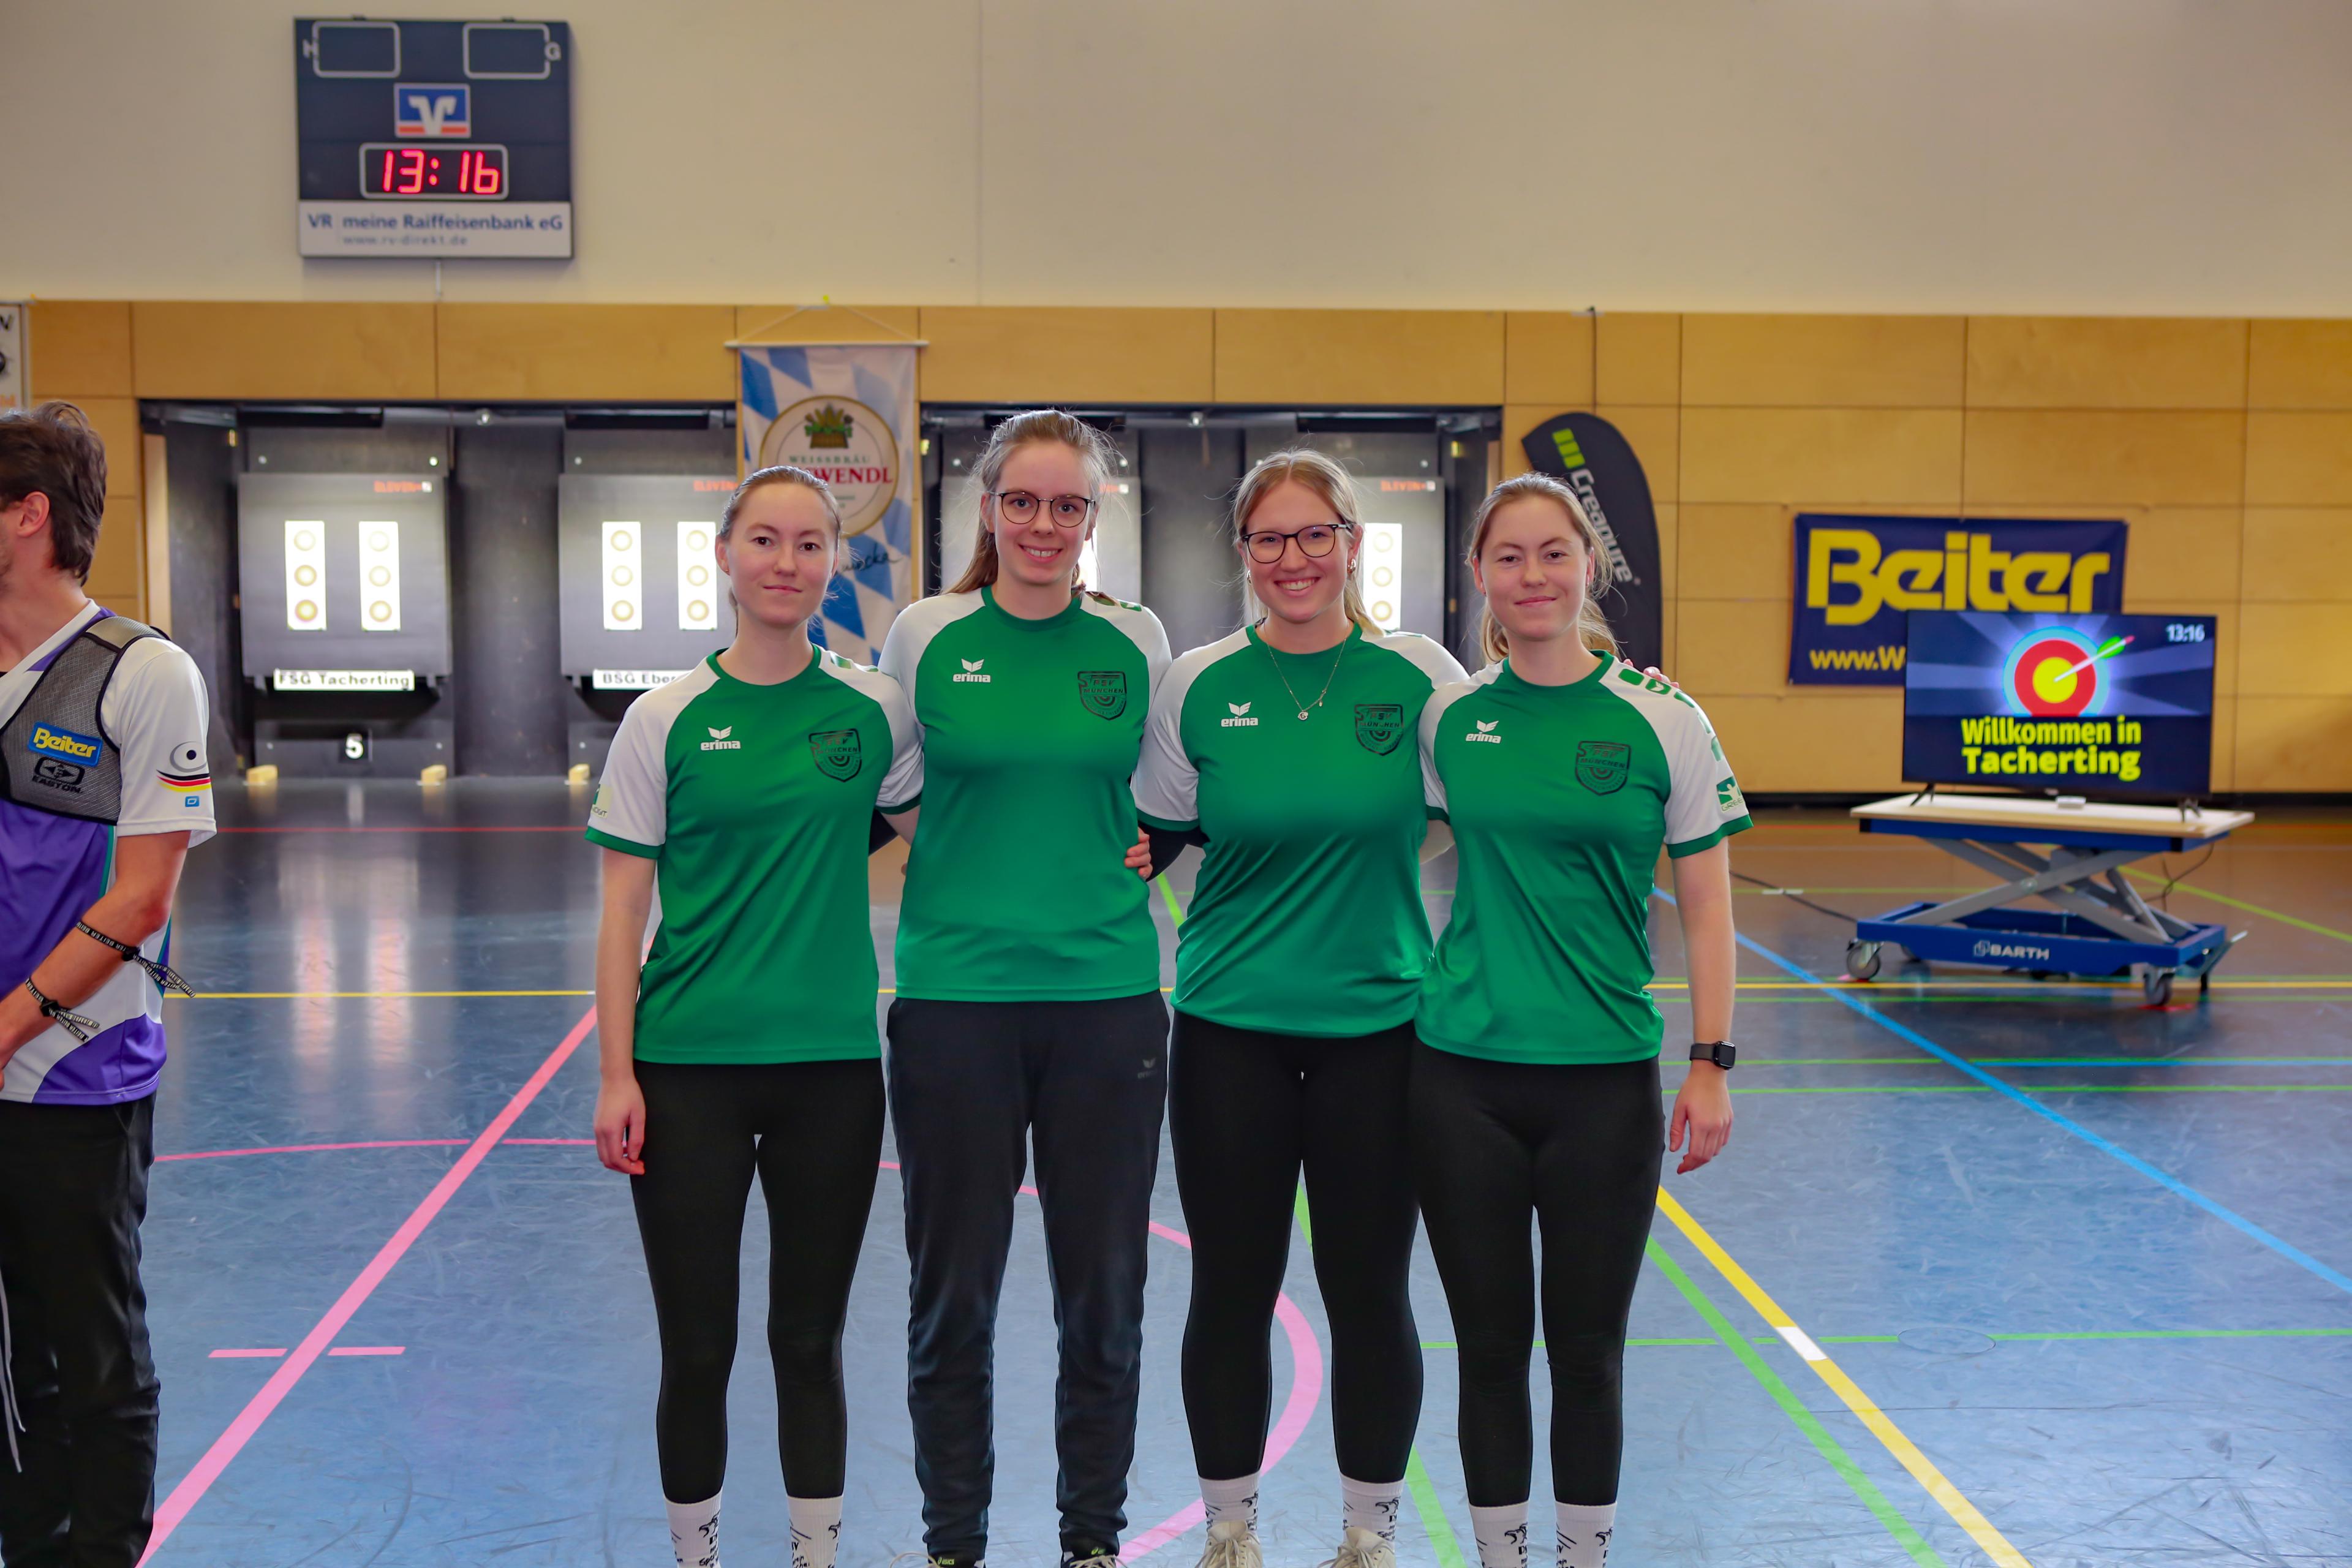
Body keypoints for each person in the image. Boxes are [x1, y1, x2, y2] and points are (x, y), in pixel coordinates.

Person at [1131, 450, 1466, 1568]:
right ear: (1244, 552)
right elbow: (1156, 832)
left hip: (1382, 1034)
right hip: (1232, 1032)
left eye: (1315, 534)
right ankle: (1230, 1531)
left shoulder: (1418, 677)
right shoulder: (1199, 684)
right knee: (1232, 1288)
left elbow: (1492, 784)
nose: (1294, 558)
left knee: (1369, 1289)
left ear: (1353, 543)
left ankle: (1369, 1536)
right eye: (1269, 538)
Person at [588, 467, 924, 1568]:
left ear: (836, 563)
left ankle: (813, 1557)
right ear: (726, 556)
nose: (787, 562)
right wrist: (617, 1075)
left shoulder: (874, 710)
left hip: (832, 1073)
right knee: (697, 1349)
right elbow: (621, 912)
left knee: (809, 1343)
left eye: (811, 544)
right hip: (688, 1072)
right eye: (766, 540)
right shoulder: (664, 719)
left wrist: (1118, 839)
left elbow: (952, 833)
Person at [1411, 473, 1744, 1568]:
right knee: (1489, 1351)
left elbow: (1708, 904)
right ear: (1480, 575)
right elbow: (1368, 833)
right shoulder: (1450, 719)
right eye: (1509, 557)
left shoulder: (1664, 718)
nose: (1534, 576)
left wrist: (1711, 1061)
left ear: (1588, 565)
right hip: (1461, 1079)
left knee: (1590, 1354)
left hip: (1604, 1085)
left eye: (1554, 553)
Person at [876, 409, 1172, 1568]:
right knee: (953, 1300)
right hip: (954, 1005)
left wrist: (1143, 850)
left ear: (1093, 518)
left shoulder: (1137, 640)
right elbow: (897, 787)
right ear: (989, 510)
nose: (1044, 524)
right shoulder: (925, 634)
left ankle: (1090, 1540)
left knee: (1104, 1299)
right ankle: (954, 1542)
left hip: (1107, 1005)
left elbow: (1171, 793)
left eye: (1068, 505)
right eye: (1023, 502)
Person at [0, 402, 214, 1568]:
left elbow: (140, 900)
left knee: (93, 1357)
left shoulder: (141, 673)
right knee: (9, 1369)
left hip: (73, 1076)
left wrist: (4, 1029)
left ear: (28, 516)